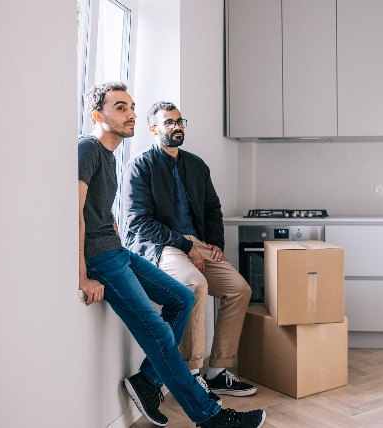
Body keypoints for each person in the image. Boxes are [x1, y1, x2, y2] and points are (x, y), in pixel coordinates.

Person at [78, 82, 265, 428]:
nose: (130, 112)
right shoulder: (91, 151)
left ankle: (148, 380)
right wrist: (81, 276)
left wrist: (210, 242)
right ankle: (208, 415)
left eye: (131, 106)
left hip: (116, 250)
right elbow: (75, 215)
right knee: (163, 327)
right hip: (114, 256)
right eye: (120, 107)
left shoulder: (110, 154)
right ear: (96, 115)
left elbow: (211, 208)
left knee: (181, 297)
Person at [119, 100, 256, 399]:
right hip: (160, 244)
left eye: (180, 121)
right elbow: (137, 222)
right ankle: (193, 373)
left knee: (239, 289)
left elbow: (211, 208)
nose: (177, 127)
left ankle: (218, 370)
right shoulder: (140, 165)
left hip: (197, 243)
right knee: (195, 285)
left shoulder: (196, 164)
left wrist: (215, 244)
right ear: (153, 129)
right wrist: (183, 244)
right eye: (169, 122)